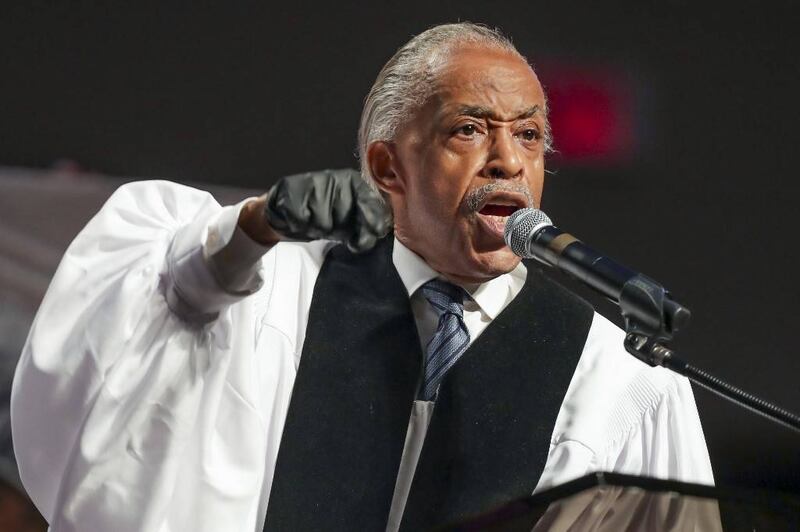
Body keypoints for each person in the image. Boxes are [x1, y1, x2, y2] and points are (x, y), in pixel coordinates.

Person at [11, 22, 713, 532]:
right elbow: (158, 310)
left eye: (528, 135)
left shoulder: (613, 376)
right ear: (386, 168)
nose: (508, 161)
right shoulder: (273, 292)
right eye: (470, 129)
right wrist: (252, 227)